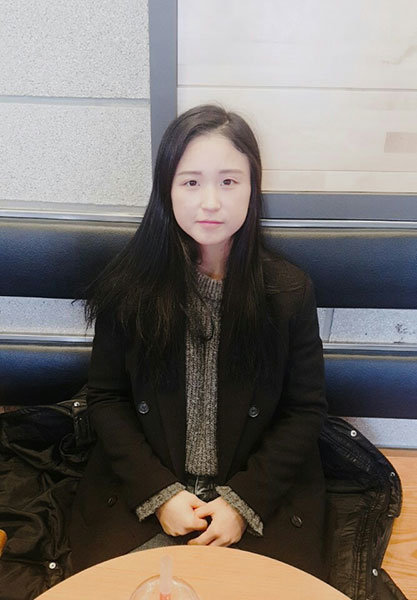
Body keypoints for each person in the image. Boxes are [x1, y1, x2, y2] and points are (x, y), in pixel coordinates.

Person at [69, 104, 328, 579]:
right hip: (146, 490)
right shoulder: (128, 287)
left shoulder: (289, 291)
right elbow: (106, 398)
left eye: (229, 181)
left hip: (258, 492)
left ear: (252, 188)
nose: (210, 202)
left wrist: (243, 502)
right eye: (191, 182)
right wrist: (160, 494)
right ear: (166, 189)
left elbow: (305, 410)